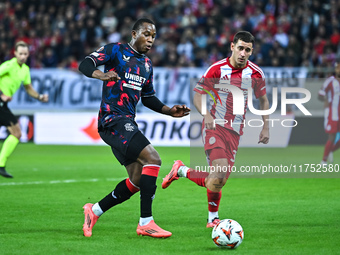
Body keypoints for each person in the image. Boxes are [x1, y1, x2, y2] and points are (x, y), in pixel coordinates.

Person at [78, 18, 190, 238]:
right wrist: (101, 75)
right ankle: (145, 222)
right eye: (146, 34)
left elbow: (148, 98)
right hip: (112, 119)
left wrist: (169, 110)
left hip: (126, 121)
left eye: (153, 36)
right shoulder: (115, 51)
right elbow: (85, 64)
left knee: (138, 179)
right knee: (154, 159)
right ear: (134, 33)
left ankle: (94, 210)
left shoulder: (146, 65)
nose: (150, 40)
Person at [162, 31, 269, 227]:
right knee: (218, 173)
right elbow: (197, 96)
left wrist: (266, 127)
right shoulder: (217, 69)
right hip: (215, 127)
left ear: (252, 51)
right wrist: (207, 115)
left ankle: (182, 170)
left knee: (218, 182)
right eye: (240, 48)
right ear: (232, 47)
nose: (243, 53)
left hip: (235, 132)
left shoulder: (255, 73)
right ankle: (213, 219)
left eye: (248, 50)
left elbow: (263, 99)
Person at [0, 41, 49, 178]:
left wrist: (39, 97)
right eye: (20, 53)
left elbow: (28, 88)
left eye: (25, 54)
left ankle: (1, 164)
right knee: (16, 132)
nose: (22, 56)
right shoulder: (8, 65)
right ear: (15, 53)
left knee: (16, 133)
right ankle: (1, 164)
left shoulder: (25, 69)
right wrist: (1, 94)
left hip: (3, 104)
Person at [318, 61, 340, 165]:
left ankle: (330, 150)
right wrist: (326, 99)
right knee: (332, 136)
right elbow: (320, 94)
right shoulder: (330, 81)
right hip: (333, 112)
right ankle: (324, 161)